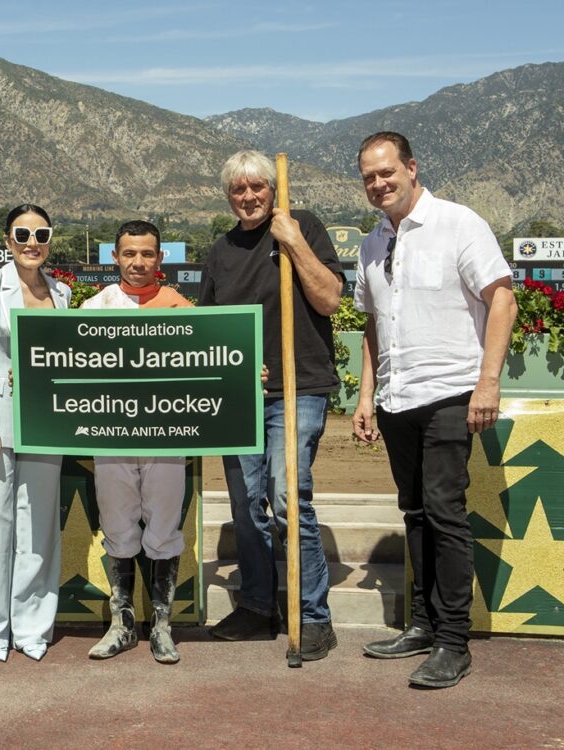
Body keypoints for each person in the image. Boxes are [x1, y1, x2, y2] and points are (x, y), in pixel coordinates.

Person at [352, 131, 516, 688]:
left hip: (450, 392)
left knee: (445, 512)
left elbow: (502, 298)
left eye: (386, 172)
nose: (378, 184)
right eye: (369, 177)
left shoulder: (458, 222)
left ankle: (453, 640)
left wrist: (487, 383)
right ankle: (421, 626)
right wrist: (366, 394)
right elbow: (372, 324)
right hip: (396, 399)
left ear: (412, 168)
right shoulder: (373, 243)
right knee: (416, 513)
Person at [199, 149, 344, 661]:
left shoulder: (302, 225)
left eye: (257, 186)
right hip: (241, 397)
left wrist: (294, 243)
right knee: (246, 505)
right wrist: (234, 369)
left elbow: (329, 300)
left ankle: (313, 615)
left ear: (273, 188)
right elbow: (209, 331)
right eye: (238, 189)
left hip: (299, 386)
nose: (249, 196)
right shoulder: (220, 251)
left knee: (286, 499)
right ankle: (260, 606)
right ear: (228, 196)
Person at [0, 203, 71, 662]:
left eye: (41, 234)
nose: (32, 242)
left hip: (46, 424)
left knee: (39, 529)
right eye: (22, 234)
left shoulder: (62, 293)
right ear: (7, 240)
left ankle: (32, 629)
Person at [81, 220, 192, 664]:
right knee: (118, 529)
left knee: (164, 530)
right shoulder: (96, 306)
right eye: (130, 254)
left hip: (166, 438)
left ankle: (162, 625)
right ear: (115, 257)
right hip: (111, 436)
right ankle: (122, 625)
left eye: (147, 254)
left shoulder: (181, 307)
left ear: (160, 258)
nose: (138, 262)